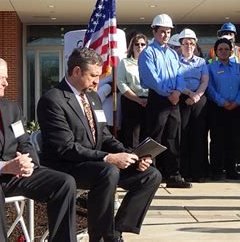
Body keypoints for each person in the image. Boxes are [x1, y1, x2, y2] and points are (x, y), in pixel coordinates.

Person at [37, 47, 161, 242]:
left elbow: (104, 137)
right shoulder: (53, 100)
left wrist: (131, 155)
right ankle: (101, 237)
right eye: (93, 75)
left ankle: (114, 230)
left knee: (150, 175)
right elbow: (65, 147)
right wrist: (108, 158)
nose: (97, 81)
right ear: (77, 71)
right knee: (107, 171)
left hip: (95, 164)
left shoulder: (93, 98)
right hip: (66, 166)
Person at [0, 55, 77, 242]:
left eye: (6, 78)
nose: (6, 83)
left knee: (64, 182)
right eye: (1, 78)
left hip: (12, 176)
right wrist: (3, 167)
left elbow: (25, 142)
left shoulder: (11, 108)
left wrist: (28, 163)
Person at [138, 14, 192, 188]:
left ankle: (173, 174)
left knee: (173, 137)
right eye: (162, 31)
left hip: (173, 99)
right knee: (154, 136)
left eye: (168, 32)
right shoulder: (148, 53)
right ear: (154, 31)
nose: (165, 35)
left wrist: (177, 92)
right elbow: (152, 79)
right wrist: (169, 93)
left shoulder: (172, 54)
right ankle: (148, 173)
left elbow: (180, 75)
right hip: (158, 98)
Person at [206, 38, 240, 180]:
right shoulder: (210, 67)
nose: (223, 51)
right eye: (220, 49)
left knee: (234, 139)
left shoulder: (238, 67)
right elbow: (209, 88)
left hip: (235, 109)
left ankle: (231, 169)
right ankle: (217, 170)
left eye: (226, 49)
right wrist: (222, 102)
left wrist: (236, 102)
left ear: (231, 51)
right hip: (218, 108)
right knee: (218, 140)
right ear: (216, 52)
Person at [177, 28, 209, 183]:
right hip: (182, 98)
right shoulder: (175, 61)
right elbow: (176, 80)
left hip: (199, 99)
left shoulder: (201, 62)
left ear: (195, 45)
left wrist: (196, 96)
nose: (188, 46)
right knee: (183, 135)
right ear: (180, 45)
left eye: (191, 43)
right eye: (185, 43)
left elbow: (204, 81)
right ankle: (185, 171)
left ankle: (198, 172)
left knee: (199, 136)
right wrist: (189, 94)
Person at [117, 33, 149, 148]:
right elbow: (121, 83)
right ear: (132, 46)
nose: (140, 47)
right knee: (132, 135)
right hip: (131, 101)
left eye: (143, 44)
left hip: (149, 102)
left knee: (147, 135)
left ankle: (146, 164)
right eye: (137, 44)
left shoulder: (151, 63)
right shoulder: (125, 62)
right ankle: (132, 163)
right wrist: (138, 100)